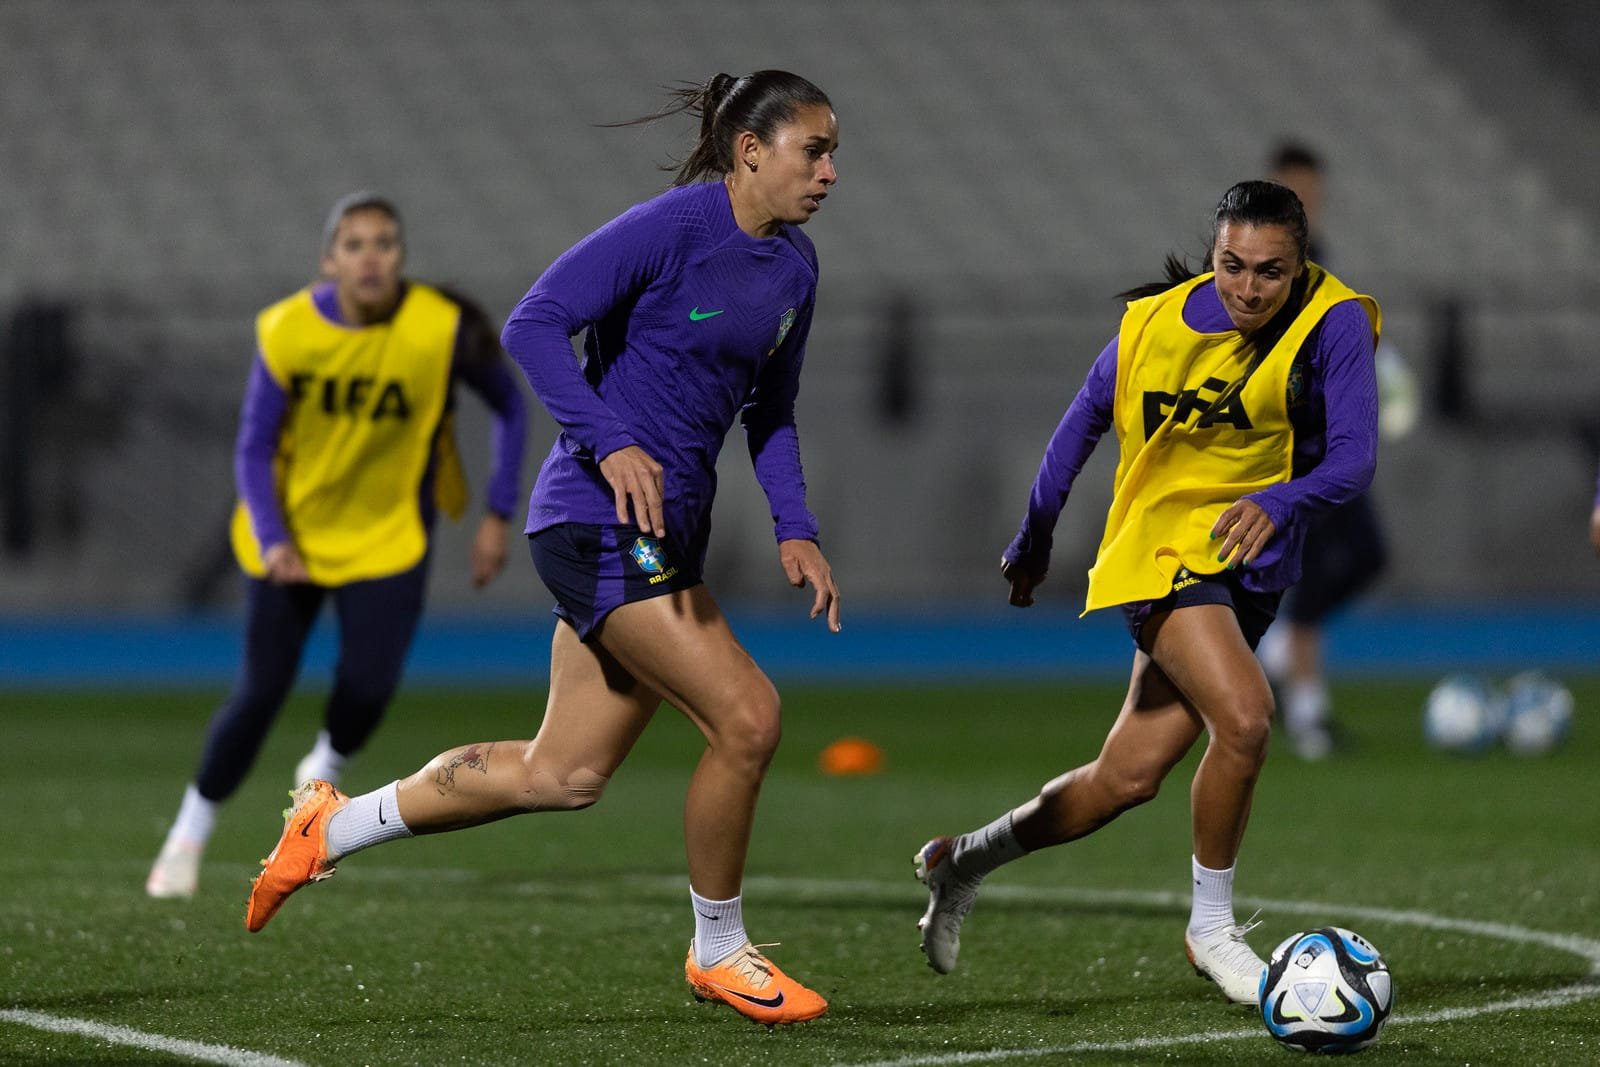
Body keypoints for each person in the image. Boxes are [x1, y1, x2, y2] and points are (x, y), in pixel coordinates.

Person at [243, 71, 842, 1027]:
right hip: (592, 521)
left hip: (663, 535)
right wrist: (611, 439)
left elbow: (771, 412)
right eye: (814, 148)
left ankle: (331, 825)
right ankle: (720, 948)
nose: (830, 171)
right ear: (751, 151)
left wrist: (795, 524)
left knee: (564, 774)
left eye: (832, 151)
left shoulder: (796, 270)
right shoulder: (672, 228)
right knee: (749, 718)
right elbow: (533, 324)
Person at [914, 181, 1380, 1005]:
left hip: (1251, 562)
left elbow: (1354, 460)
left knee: (1124, 778)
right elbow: (1083, 420)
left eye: (1270, 272)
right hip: (1160, 548)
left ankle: (965, 860)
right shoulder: (1154, 323)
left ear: (1301, 265)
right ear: (1212, 254)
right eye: (1232, 265)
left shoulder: (1333, 321)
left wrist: (1278, 501)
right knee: (1245, 716)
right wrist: (1037, 532)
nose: (1247, 288)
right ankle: (1212, 929)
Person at [145, 193, 529, 900]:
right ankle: (187, 834)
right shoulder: (288, 328)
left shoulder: (436, 328)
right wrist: (271, 537)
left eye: (385, 242)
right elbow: (255, 445)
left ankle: (325, 761)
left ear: (401, 257)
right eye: (354, 244)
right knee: (259, 693)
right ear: (329, 259)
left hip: (388, 538)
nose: (371, 256)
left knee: (368, 686)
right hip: (292, 537)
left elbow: (508, 402)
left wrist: (498, 512)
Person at [1257, 142, 1412, 760]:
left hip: (1333, 446)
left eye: (1313, 195)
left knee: (1368, 557)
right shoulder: (1262, 269)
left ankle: (1275, 657)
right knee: (1316, 569)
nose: (1310, 205)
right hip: (1296, 452)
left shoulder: (1317, 260)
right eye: (1297, 194)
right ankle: (1308, 715)